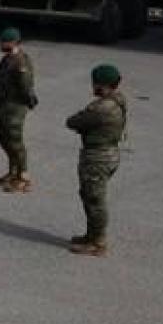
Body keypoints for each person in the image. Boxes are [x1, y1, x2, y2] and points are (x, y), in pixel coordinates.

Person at [66, 64, 128, 257]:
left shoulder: (101, 107)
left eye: (94, 83)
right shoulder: (118, 100)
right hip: (107, 153)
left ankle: (98, 242)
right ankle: (91, 235)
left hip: (98, 157)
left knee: (94, 199)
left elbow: (73, 121)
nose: (92, 86)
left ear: (102, 84)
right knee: (89, 195)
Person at [0, 28, 37, 192]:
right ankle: (12, 172)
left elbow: (25, 87)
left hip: (15, 106)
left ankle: (23, 178)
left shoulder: (21, 62)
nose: (0, 45)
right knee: (4, 138)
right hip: (4, 104)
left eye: (4, 42)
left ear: (14, 43)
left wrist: (27, 102)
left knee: (15, 140)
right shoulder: (7, 59)